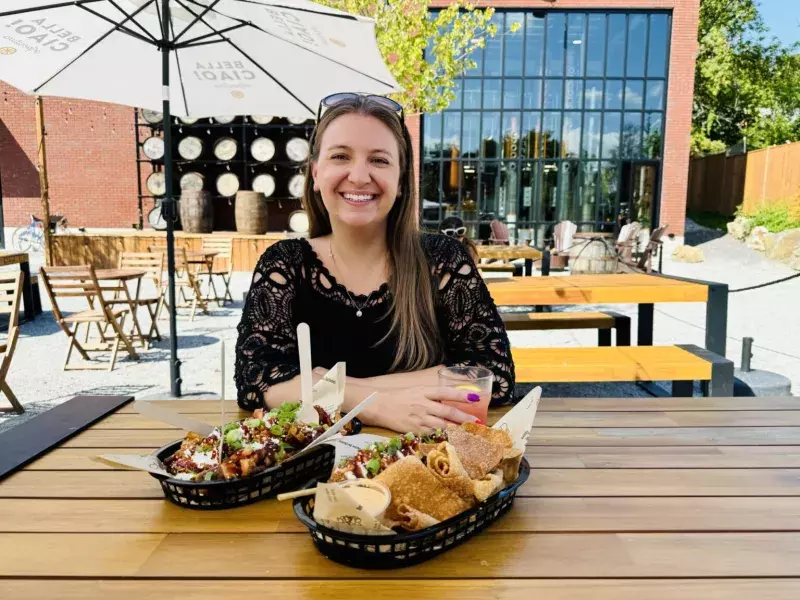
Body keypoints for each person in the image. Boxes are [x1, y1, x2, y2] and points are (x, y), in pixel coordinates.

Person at [235, 93, 515, 433]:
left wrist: (325, 384)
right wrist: (376, 405)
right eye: (340, 156)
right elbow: (256, 380)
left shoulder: (442, 261)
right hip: (312, 473)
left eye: (379, 160)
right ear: (316, 172)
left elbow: (492, 375)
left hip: (426, 467)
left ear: (400, 181)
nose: (358, 175)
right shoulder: (285, 264)